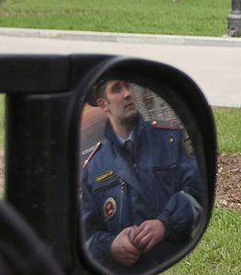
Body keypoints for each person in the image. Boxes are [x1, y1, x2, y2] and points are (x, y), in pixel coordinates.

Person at [81, 78, 203, 273]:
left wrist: (165, 224)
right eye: (116, 89)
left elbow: (197, 191)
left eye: (127, 86)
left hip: (174, 263)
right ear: (104, 105)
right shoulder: (93, 168)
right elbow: (87, 236)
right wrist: (111, 246)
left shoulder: (169, 140)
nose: (128, 93)